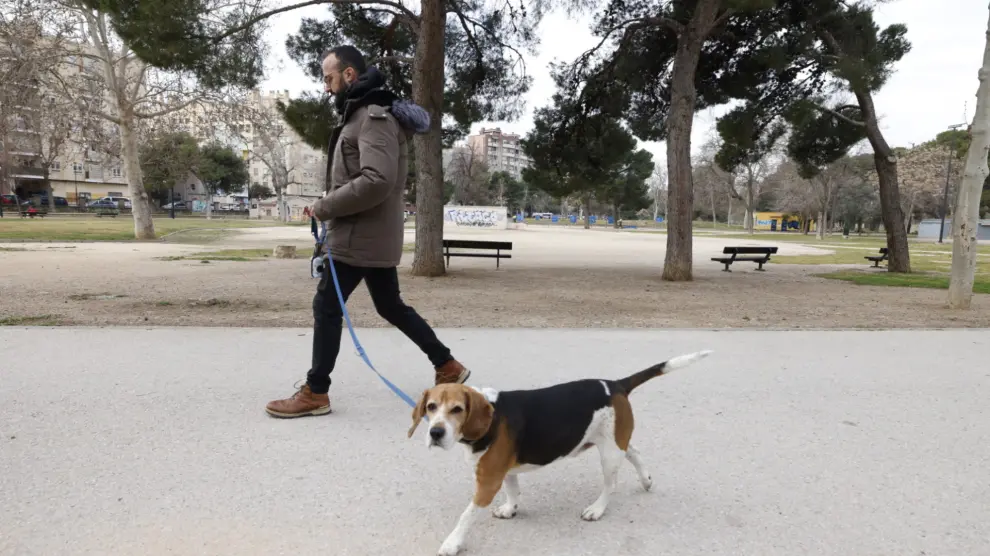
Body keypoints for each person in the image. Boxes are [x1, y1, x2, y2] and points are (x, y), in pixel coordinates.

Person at [266, 45, 471, 418]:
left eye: (329, 78)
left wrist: (326, 206)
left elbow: (376, 181)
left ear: (348, 75)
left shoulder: (373, 118)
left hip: (358, 237)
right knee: (389, 305)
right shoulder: (362, 115)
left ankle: (316, 392)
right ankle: (447, 365)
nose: (326, 88)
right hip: (369, 234)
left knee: (327, 307)